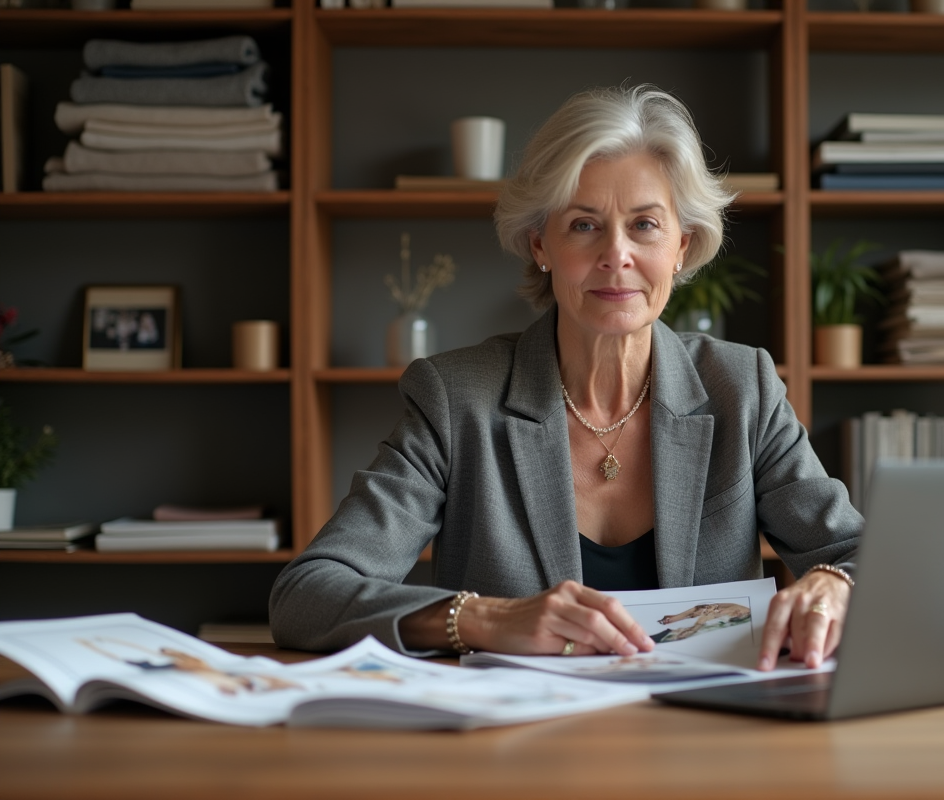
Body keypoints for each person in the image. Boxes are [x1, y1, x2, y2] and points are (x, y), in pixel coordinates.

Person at [270, 84, 862, 671]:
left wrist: (834, 583)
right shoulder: (457, 400)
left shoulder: (743, 388)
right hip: (523, 744)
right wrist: (484, 619)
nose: (616, 254)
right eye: (584, 224)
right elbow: (307, 594)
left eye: (645, 225)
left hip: (704, 739)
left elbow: (863, 556)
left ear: (681, 246)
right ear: (540, 244)